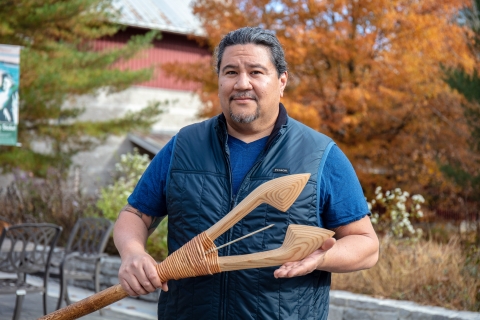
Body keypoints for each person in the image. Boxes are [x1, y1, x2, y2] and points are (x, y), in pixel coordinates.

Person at [114, 27, 379, 320]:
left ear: (281, 81)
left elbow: (366, 245)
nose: (242, 83)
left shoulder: (320, 155)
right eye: (230, 72)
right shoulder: (184, 146)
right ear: (219, 81)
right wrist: (132, 252)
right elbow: (135, 214)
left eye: (255, 72)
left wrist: (322, 258)